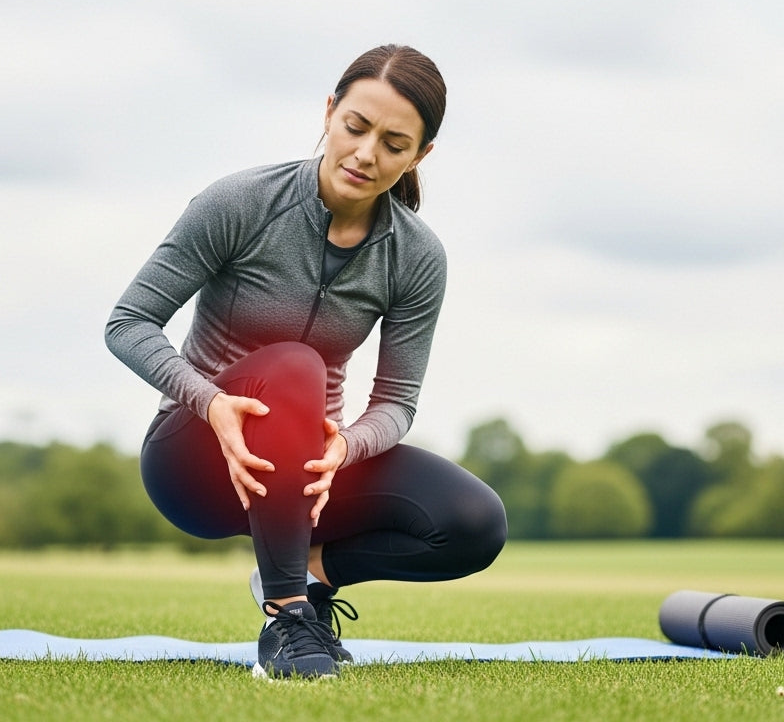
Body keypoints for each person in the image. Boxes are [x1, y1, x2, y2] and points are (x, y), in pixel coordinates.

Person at [105, 44, 507, 680]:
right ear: (329, 112)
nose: (367, 154)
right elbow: (128, 324)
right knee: (295, 364)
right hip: (197, 462)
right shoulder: (239, 203)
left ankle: (307, 579)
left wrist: (343, 449)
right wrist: (211, 402)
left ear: (420, 155)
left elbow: (397, 402)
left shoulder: (417, 257)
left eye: (394, 144)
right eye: (355, 127)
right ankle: (288, 618)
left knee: (473, 522)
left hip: (309, 478)